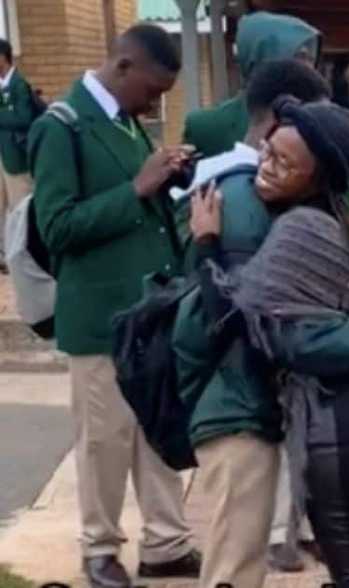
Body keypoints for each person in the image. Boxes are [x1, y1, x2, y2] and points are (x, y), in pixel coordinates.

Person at [173, 62, 349, 588]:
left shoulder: (301, 225)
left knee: (245, 565)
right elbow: (260, 316)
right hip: (249, 410)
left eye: (283, 162)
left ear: (317, 176)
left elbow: (279, 316)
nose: (265, 168)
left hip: (275, 411)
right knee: (242, 563)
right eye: (269, 152)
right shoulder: (271, 207)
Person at [28, 24, 201, 588]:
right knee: (105, 440)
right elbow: (57, 227)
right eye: (152, 90)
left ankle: (166, 543)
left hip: (149, 309)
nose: (157, 103)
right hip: (99, 317)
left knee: (157, 429)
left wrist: (171, 177)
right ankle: (99, 549)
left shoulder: (127, 123)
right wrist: (137, 188)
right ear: (123, 66)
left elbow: (143, 204)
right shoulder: (61, 128)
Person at [183, 11, 321, 158]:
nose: (308, 69)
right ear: (262, 57)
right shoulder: (208, 127)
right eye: (298, 57)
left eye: (310, 58)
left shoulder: (324, 121)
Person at [0, 37, 34, 273]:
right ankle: (4, 255)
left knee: (19, 208)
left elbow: (24, 118)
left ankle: (23, 255)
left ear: (3, 58)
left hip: (15, 158)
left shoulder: (20, 85)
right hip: (2, 156)